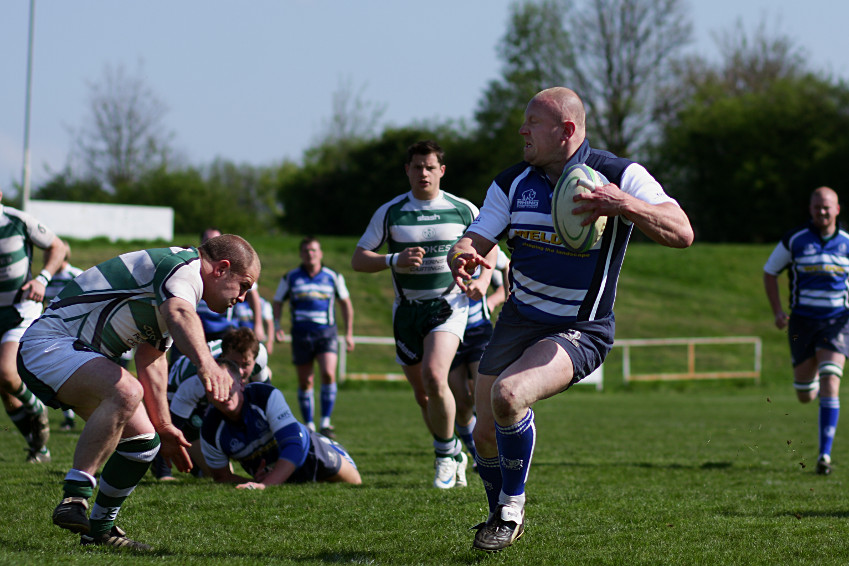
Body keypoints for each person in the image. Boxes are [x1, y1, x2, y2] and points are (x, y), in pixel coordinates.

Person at [448, 87, 693, 551]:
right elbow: (474, 239)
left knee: (508, 396)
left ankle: (510, 510)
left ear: (566, 131)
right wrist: (461, 255)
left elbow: (682, 232)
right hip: (519, 319)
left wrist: (624, 205)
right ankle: (498, 511)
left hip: (581, 327)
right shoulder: (511, 183)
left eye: (532, 123)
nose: (522, 130)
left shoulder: (619, 174)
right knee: (482, 434)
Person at [17, 234, 261, 551]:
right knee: (127, 390)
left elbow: (153, 358)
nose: (243, 297)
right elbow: (180, 315)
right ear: (222, 268)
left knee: (143, 444)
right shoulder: (182, 267)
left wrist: (164, 426)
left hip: (72, 355)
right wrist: (207, 365)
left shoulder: (176, 285)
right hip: (48, 345)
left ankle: (100, 530)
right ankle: (75, 496)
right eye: (244, 285)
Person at [352, 140, 488, 490]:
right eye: (417, 166)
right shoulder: (391, 212)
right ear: (407, 170)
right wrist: (392, 260)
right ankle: (454, 450)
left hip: (448, 304)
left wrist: (483, 282)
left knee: (433, 374)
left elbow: (494, 253)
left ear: (442, 171)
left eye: (430, 167)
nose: (423, 173)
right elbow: (358, 258)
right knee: (423, 394)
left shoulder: (463, 209)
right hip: (407, 310)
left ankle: (444, 455)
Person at [764, 186, 849, 476]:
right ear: (810, 209)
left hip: (837, 322)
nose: (822, 212)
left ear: (837, 209)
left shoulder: (847, 243)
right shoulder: (795, 240)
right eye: (817, 207)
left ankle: (824, 454)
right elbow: (769, 272)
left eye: (827, 207)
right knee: (804, 394)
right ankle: (808, 383)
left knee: (831, 381)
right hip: (801, 324)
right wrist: (777, 310)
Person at [200, 358, 362, 488]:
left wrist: (265, 485)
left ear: (241, 384)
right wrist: (253, 484)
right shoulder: (210, 430)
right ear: (207, 395)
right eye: (214, 388)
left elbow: (294, 446)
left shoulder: (263, 396)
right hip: (276, 473)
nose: (223, 392)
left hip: (309, 452)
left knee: (354, 482)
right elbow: (222, 476)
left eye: (227, 384)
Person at [150, 326, 272, 480]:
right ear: (223, 356)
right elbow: (171, 427)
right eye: (234, 363)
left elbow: (267, 401)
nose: (240, 372)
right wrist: (164, 474)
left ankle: (198, 466)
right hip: (180, 398)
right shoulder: (197, 380)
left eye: (246, 365)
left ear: (255, 358)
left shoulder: (259, 357)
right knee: (215, 470)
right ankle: (160, 464)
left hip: (210, 395)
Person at [0, 189, 65, 463]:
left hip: (19, 310)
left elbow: (58, 247)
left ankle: (37, 407)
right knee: (4, 389)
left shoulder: (18, 221)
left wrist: (42, 278)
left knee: (5, 374)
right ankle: (39, 449)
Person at [274, 236, 354, 438]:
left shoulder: (333, 276)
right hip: (301, 334)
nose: (310, 254)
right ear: (301, 254)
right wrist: (276, 325)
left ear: (320, 253)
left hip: (326, 332)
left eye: (314, 250)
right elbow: (277, 301)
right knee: (305, 381)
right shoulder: (290, 277)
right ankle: (309, 424)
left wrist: (349, 332)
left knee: (328, 373)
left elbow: (345, 304)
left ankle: (326, 422)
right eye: (306, 251)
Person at [449, 247, 510, 466]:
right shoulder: (440, 249)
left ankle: (487, 453)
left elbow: (507, 266)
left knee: (481, 392)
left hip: (478, 331)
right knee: (462, 403)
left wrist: (495, 299)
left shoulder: (482, 248)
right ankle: (475, 450)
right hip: (447, 331)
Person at [42, 239, 85, 431]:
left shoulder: (76, 276)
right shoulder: (47, 279)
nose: (46, 258)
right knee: (57, 376)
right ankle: (68, 417)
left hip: (75, 335)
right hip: (55, 335)